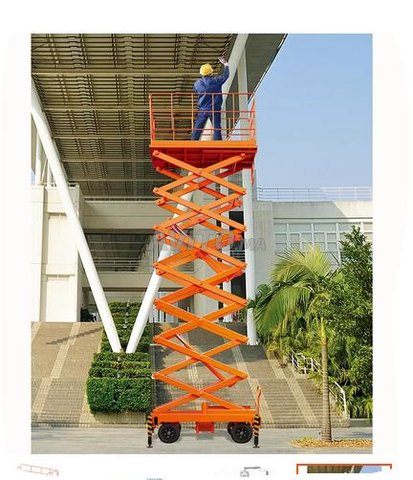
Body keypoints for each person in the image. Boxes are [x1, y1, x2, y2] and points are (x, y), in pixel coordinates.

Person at [191, 56, 229, 140]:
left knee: (198, 128)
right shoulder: (216, 81)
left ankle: (193, 142)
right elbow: (226, 75)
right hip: (215, 109)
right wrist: (226, 64)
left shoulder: (197, 83)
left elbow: (195, 90)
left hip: (203, 109)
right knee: (217, 127)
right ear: (211, 72)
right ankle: (218, 142)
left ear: (202, 73)